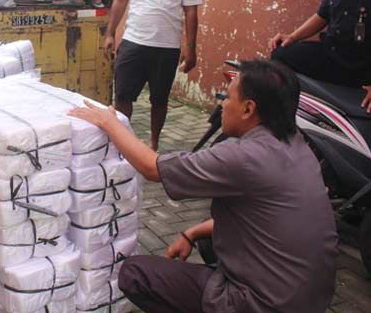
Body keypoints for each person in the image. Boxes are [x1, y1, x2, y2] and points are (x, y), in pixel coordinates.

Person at [68, 59, 338, 313]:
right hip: (308, 298)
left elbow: (152, 168)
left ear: (248, 109)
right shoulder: (298, 146)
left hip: (265, 303)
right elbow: (271, 222)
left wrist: (109, 123)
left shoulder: (244, 157)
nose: (221, 104)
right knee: (210, 241)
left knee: (134, 273)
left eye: (227, 97)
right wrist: (192, 232)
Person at [105, 0, 202, 151]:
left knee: (159, 100)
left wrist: (190, 49)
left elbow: (190, 12)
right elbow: (120, 0)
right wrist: (110, 33)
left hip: (166, 47)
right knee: (123, 96)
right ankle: (123, 142)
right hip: (133, 42)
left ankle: (154, 144)